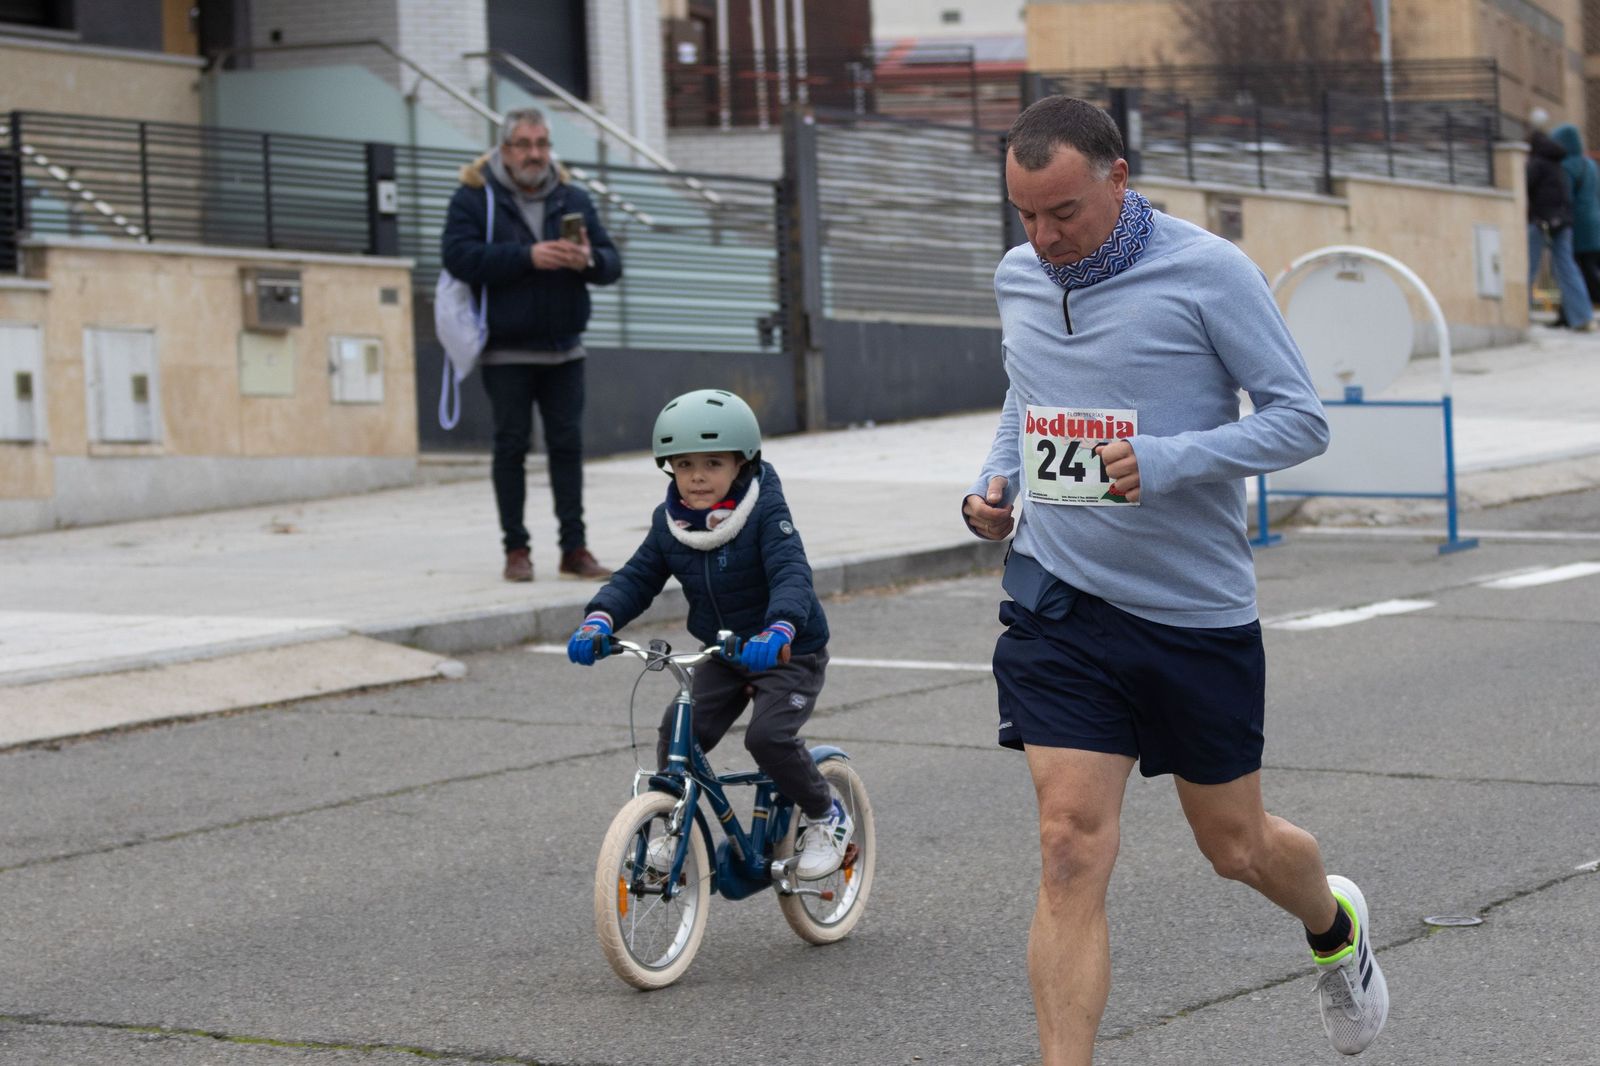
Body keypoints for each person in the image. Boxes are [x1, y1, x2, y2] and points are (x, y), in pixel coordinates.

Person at [963, 96, 1385, 1064]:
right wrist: (990, 485)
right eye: (1024, 214)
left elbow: (1298, 422)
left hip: (1191, 609)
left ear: (1119, 177)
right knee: (1068, 843)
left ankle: (1333, 922)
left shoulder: (1209, 272)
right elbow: (1025, 394)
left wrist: (1169, 459)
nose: (1042, 237)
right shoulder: (1020, 275)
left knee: (1235, 846)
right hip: (1060, 598)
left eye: (1062, 211)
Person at [565, 389, 852, 879]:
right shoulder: (670, 523)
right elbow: (637, 577)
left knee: (767, 737)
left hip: (786, 650)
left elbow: (791, 574)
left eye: (713, 462)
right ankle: (674, 829)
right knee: (679, 733)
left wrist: (780, 627)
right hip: (722, 651)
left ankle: (827, 815)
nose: (697, 476)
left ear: (742, 463)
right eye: (683, 464)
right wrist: (600, 620)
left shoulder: (764, 513)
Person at [440, 107, 622, 583]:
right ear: (504, 149)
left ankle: (574, 549)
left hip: (565, 347)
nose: (534, 154)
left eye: (541, 144)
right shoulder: (474, 198)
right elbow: (458, 256)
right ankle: (516, 549)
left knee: (567, 447)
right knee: (511, 448)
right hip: (505, 349)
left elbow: (612, 263)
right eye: (524, 144)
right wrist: (528, 256)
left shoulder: (572, 198)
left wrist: (586, 259)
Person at [1526, 128, 1594, 331]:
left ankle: (1520, 315)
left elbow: (1524, 189)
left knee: (1528, 267)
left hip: (1541, 222)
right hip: (1563, 222)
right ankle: (1582, 317)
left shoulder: (1536, 164)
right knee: (1567, 268)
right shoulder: (1559, 163)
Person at [1552, 123, 1600, 308]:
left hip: (1579, 225)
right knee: (1590, 267)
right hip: (1595, 222)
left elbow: (1566, 196)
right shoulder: (1589, 164)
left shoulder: (1567, 166)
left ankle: (1579, 307)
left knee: (1576, 269)